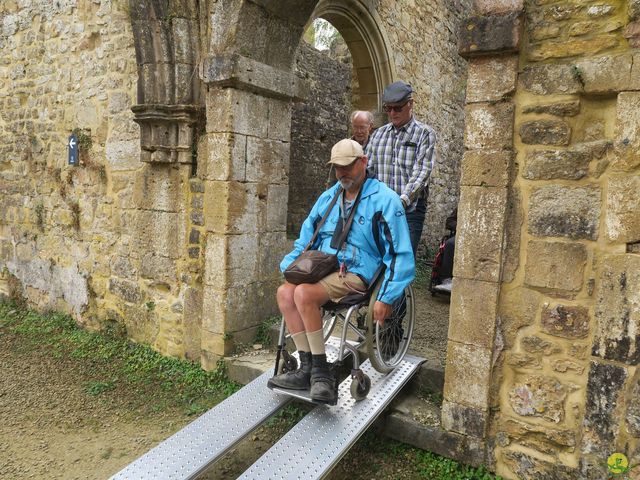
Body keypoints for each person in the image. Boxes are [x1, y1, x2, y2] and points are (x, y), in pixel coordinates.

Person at [268, 139, 415, 405]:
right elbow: (306, 236)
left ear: (363, 162)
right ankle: (306, 367)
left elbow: (400, 254)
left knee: (303, 295)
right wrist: (290, 266)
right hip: (323, 265)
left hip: (358, 270)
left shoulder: (385, 201)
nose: (342, 174)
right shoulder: (329, 197)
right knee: (285, 293)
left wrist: (387, 296)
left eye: (347, 167)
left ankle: (322, 374)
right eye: (337, 168)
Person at [365, 81, 437, 256]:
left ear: (410, 104)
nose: (391, 113)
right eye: (388, 108)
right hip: (379, 209)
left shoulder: (425, 134)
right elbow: (367, 169)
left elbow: (422, 172)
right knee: (376, 259)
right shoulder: (378, 134)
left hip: (409, 210)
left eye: (397, 108)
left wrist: (401, 201)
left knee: (402, 263)